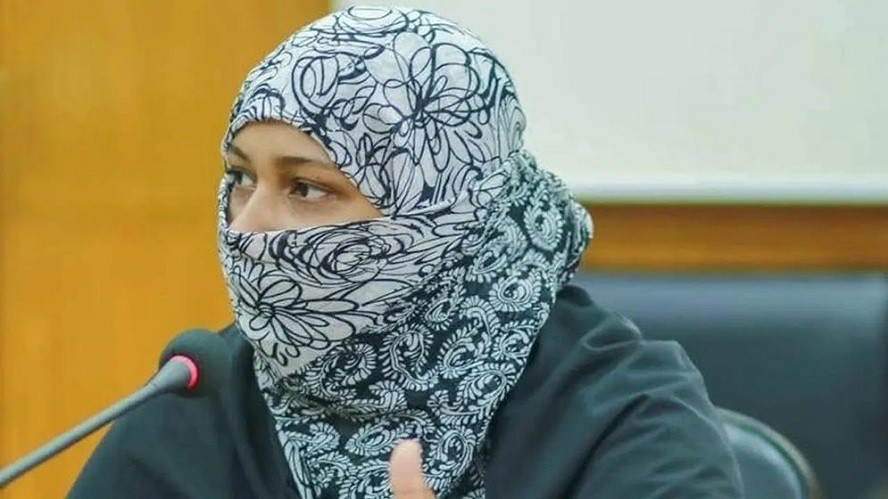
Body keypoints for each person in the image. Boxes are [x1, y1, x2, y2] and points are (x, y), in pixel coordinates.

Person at [69, 6, 743, 498]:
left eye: (306, 188)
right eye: (241, 176)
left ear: (447, 212)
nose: (248, 224)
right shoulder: (199, 400)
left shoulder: (618, 414)